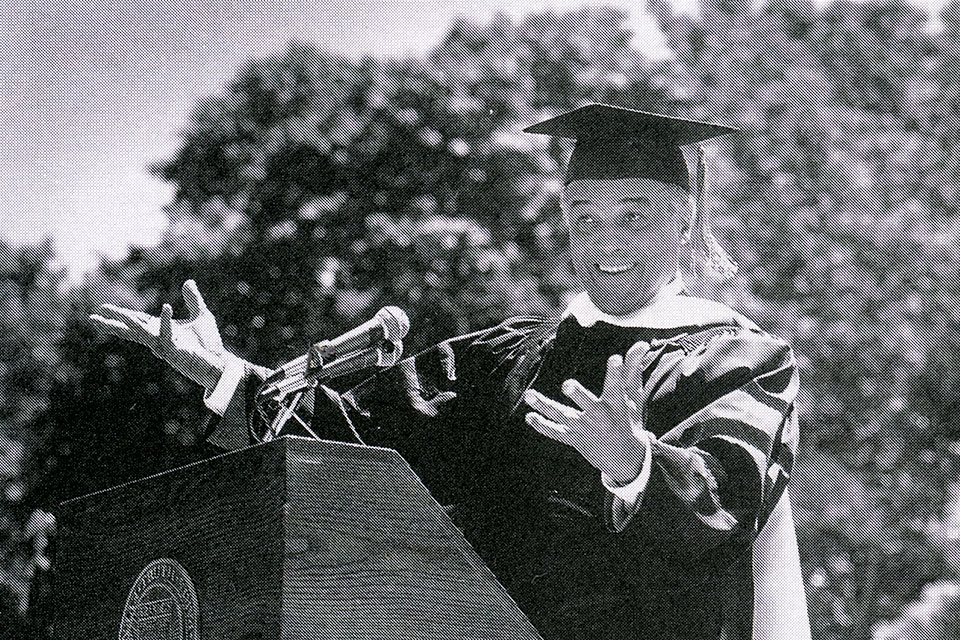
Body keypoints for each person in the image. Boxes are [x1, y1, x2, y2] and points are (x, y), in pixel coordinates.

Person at [90, 104, 810, 640]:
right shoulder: (515, 356)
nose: (604, 241)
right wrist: (224, 376)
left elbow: (727, 499)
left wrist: (634, 463)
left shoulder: (740, 359)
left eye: (633, 216)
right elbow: (356, 438)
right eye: (583, 216)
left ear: (684, 220)